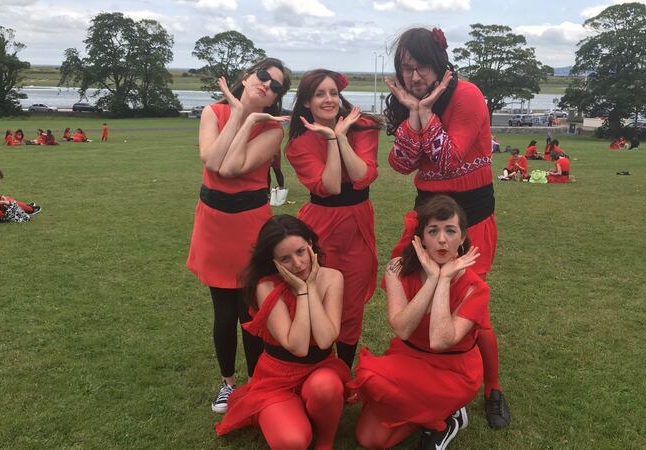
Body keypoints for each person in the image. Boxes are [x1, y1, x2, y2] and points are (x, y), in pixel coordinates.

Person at [383, 27, 509, 429]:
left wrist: (423, 113)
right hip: (427, 216)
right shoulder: (411, 101)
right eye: (406, 68)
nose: (414, 77)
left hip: (471, 218)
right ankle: (431, 381)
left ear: (440, 66)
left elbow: (449, 158)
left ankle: (492, 388)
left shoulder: (468, 96)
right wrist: (415, 112)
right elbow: (401, 164)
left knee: (472, 306)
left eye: (421, 67)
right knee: (417, 288)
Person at [186, 57, 292, 413]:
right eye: (263, 76)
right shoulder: (212, 112)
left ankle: (257, 383)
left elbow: (230, 168)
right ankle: (228, 384)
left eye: (276, 86)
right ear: (247, 76)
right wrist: (237, 112)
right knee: (223, 310)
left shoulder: (273, 129)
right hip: (214, 222)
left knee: (251, 311)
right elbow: (211, 160)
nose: (267, 85)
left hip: (249, 223)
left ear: (276, 98)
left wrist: (250, 118)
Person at [350, 195, 487, 449]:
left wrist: (445, 280)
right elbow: (402, 328)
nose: (442, 239)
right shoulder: (397, 269)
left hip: (453, 372)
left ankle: (448, 414)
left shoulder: (475, 288)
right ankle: (434, 414)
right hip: (409, 356)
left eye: (450, 231)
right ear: (421, 238)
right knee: (369, 439)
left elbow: (440, 340)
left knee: (372, 376)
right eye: (433, 231)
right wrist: (432, 280)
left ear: (462, 237)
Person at [215, 215, 351, 449]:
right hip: (276, 376)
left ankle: (325, 442)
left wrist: (311, 286)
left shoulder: (332, 278)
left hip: (321, 368)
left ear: (310, 245)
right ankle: (289, 412)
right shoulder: (265, 286)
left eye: (300, 251)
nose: (298, 264)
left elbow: (326, 338)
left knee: (326, 388)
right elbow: (297, 346)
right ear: (273, 262)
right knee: (293, 441)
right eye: (285, 259)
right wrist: (302, 291)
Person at [285, 69, 382, 367]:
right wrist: (330, 139)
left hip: (357, 226)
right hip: (320, 226)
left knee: (351, 305)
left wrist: (340, 137)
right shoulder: (298, 144)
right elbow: (328, 186)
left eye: (333, 93)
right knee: (316, 293)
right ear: (305, 103)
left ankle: (344, 369)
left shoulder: (363, 127)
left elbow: (361, 177)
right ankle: (318, 365)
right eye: (319, 94)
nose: (328, 99)